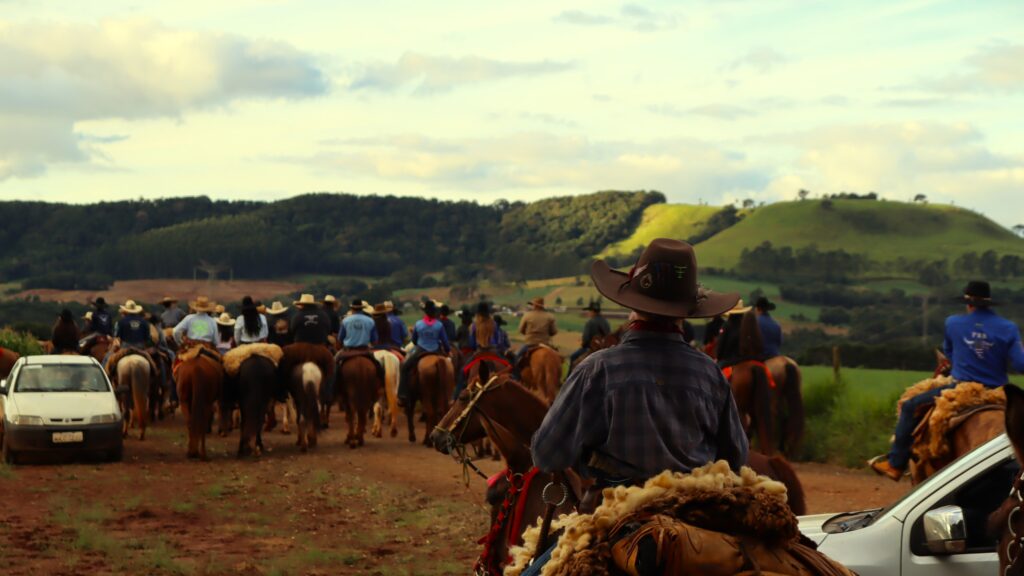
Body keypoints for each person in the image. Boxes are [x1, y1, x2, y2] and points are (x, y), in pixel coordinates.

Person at [530, 238, 748, 530]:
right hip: (698, 523)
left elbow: (546, 454)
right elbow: (736, 457)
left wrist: (588, 460)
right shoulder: (710, 374)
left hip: (617, 520)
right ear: (686, 313)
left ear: (632, 307)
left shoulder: (596, 370)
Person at [871, 281, 1024, 481]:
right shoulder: (1008, 328)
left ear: (968, 304)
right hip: (998, 392)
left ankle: (895, 463)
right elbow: (1021, 365)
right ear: (989, 304)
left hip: (962, 389)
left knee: (910, 406)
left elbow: (949, 354)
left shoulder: (953, 323)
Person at [397, 300, 451, 407]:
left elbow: (414, 341)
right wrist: (448, 351)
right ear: (434, 312)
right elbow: (445, 342)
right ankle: (451, 395)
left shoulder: (418, 324)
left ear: (425, 312)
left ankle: (403, 394)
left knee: (405, 367)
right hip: (436, 350)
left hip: (421, 349)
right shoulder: (439, 325)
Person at [514, 297, 558, 367]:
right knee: (559, 359)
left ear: (535, 305)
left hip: (530, 343)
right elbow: (554, 332)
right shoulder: (550, 316)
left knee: (516, 358)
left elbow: (521, 330)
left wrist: (529, 334)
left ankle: (515, 374)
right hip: (545, 344)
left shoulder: (527, 316)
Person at [569, 300, 611, 367]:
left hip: (590, 348)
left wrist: (583, 345)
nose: (589, 313)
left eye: (589, 311)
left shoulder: (590, 322)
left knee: (573, 357)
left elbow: (586, 339)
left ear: (593, 311)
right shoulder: (606, 322)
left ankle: (570, 377)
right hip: (605, 349)